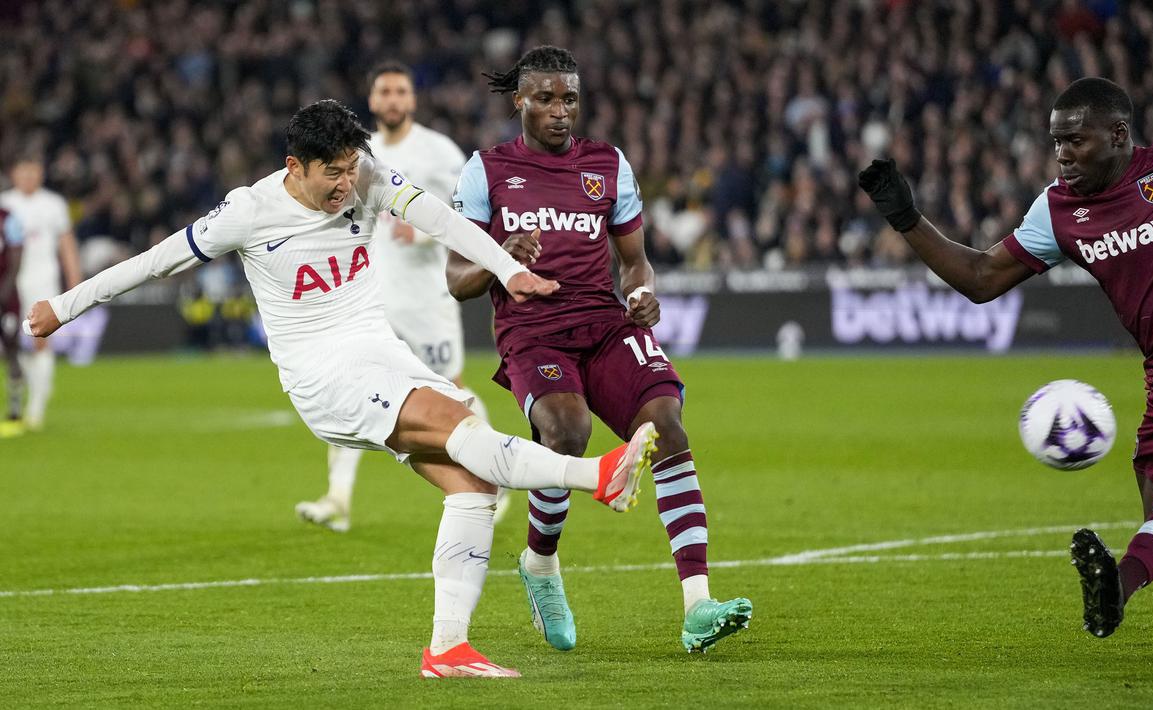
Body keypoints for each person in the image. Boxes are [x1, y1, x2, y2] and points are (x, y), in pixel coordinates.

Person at [25, 99, 660, 678]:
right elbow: (155, 260)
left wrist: (507, 266)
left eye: (353, 169)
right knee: (464, 429)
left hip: (381, 352)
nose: (346, 185)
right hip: (323, 374)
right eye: (332, 172)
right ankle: (597, 475)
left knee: (473, 487)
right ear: (293, 167)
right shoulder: (247, 211)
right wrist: (65, 304)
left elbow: (438, 218)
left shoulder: (368, 177)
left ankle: (448, 648)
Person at [858, 76, 1153, 639]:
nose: (1062, 155)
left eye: (1076, 141)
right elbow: (982, 278)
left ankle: (1117, 587)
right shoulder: (1059, 212)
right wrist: (908, 219)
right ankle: (1134, 570)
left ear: (1119, 134)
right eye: (1056, 142)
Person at [446, 46, 752, 654]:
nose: (561, 112)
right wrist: (504, 256)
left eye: (570, 99)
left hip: (605, 323)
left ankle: (697, 606)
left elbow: (635, 264)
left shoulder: (608, 165)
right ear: (520, 102)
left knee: (668, 428)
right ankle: (540, 565)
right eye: (547, 99)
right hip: (533, 329)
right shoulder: (486, 171)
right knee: (566, 431)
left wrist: (642, 295)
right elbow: (458, 280)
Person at [294, 62, 502, 534]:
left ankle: (496, 474)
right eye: (383, 91)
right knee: (350, 388)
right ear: (372, 100)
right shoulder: (353, 154)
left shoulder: (437, 150)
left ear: (411, 100)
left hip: (427, 299)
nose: (391, 99)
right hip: (370, 300)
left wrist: (425, 235)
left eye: (400, 91)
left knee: (451, 388)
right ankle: (339, 498)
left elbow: (469, 210)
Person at [0, 157, 80, 431]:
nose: (27, 177)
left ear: (41, 173)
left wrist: (74, 281)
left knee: (40, 339)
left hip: (42, 279)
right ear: (14, 173)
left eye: (32, 171)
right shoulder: (5, 203)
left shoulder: (54, 204)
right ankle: (30, 393)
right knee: (11, 341)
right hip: (10, 281)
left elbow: (66, 244)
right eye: (22, 171)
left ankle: (36, 407)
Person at [0, 207, 24, 437]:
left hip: (6, 298)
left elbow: (16, 256)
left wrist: (5, 292)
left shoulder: (8, 219)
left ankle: (15, 411)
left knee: (11, 350)